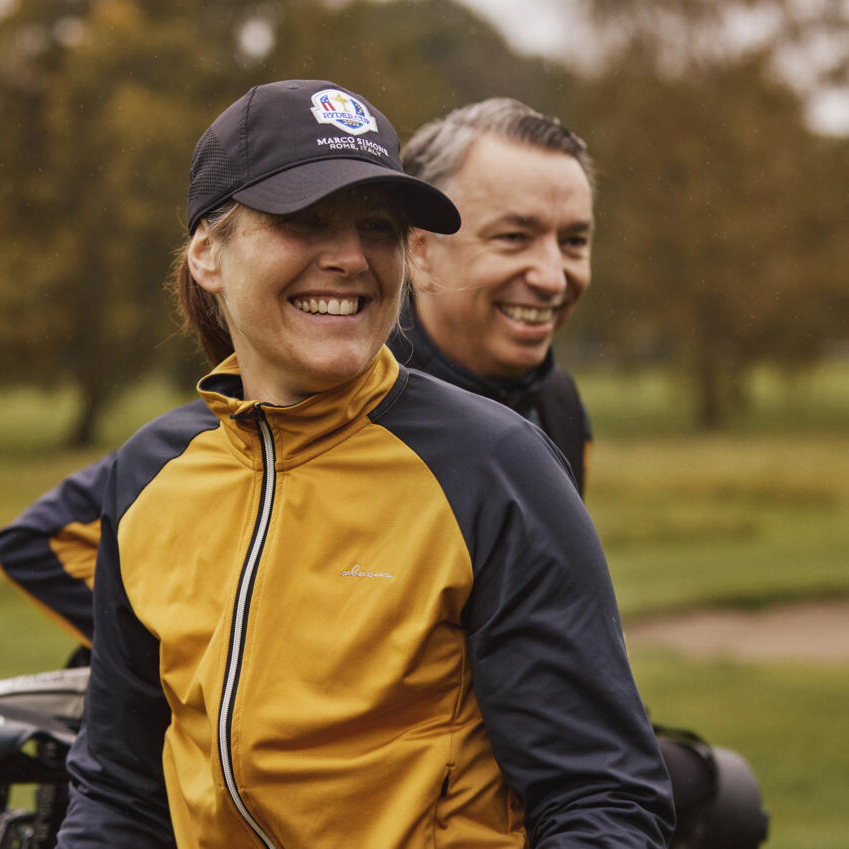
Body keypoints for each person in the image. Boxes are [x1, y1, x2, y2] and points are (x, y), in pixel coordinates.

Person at [44, 78, 673, 848]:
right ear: (207, 252)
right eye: (305, 219)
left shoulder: (495, 467)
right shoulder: (149, 472)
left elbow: (602, 797)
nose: (349, 258)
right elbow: (118, 786)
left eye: (377, 226)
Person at [390, 97, 594, 494]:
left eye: (573, 241)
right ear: (420, 252)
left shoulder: (559, 407)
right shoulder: (340, 417)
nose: (553, 279)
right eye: (514, 237)